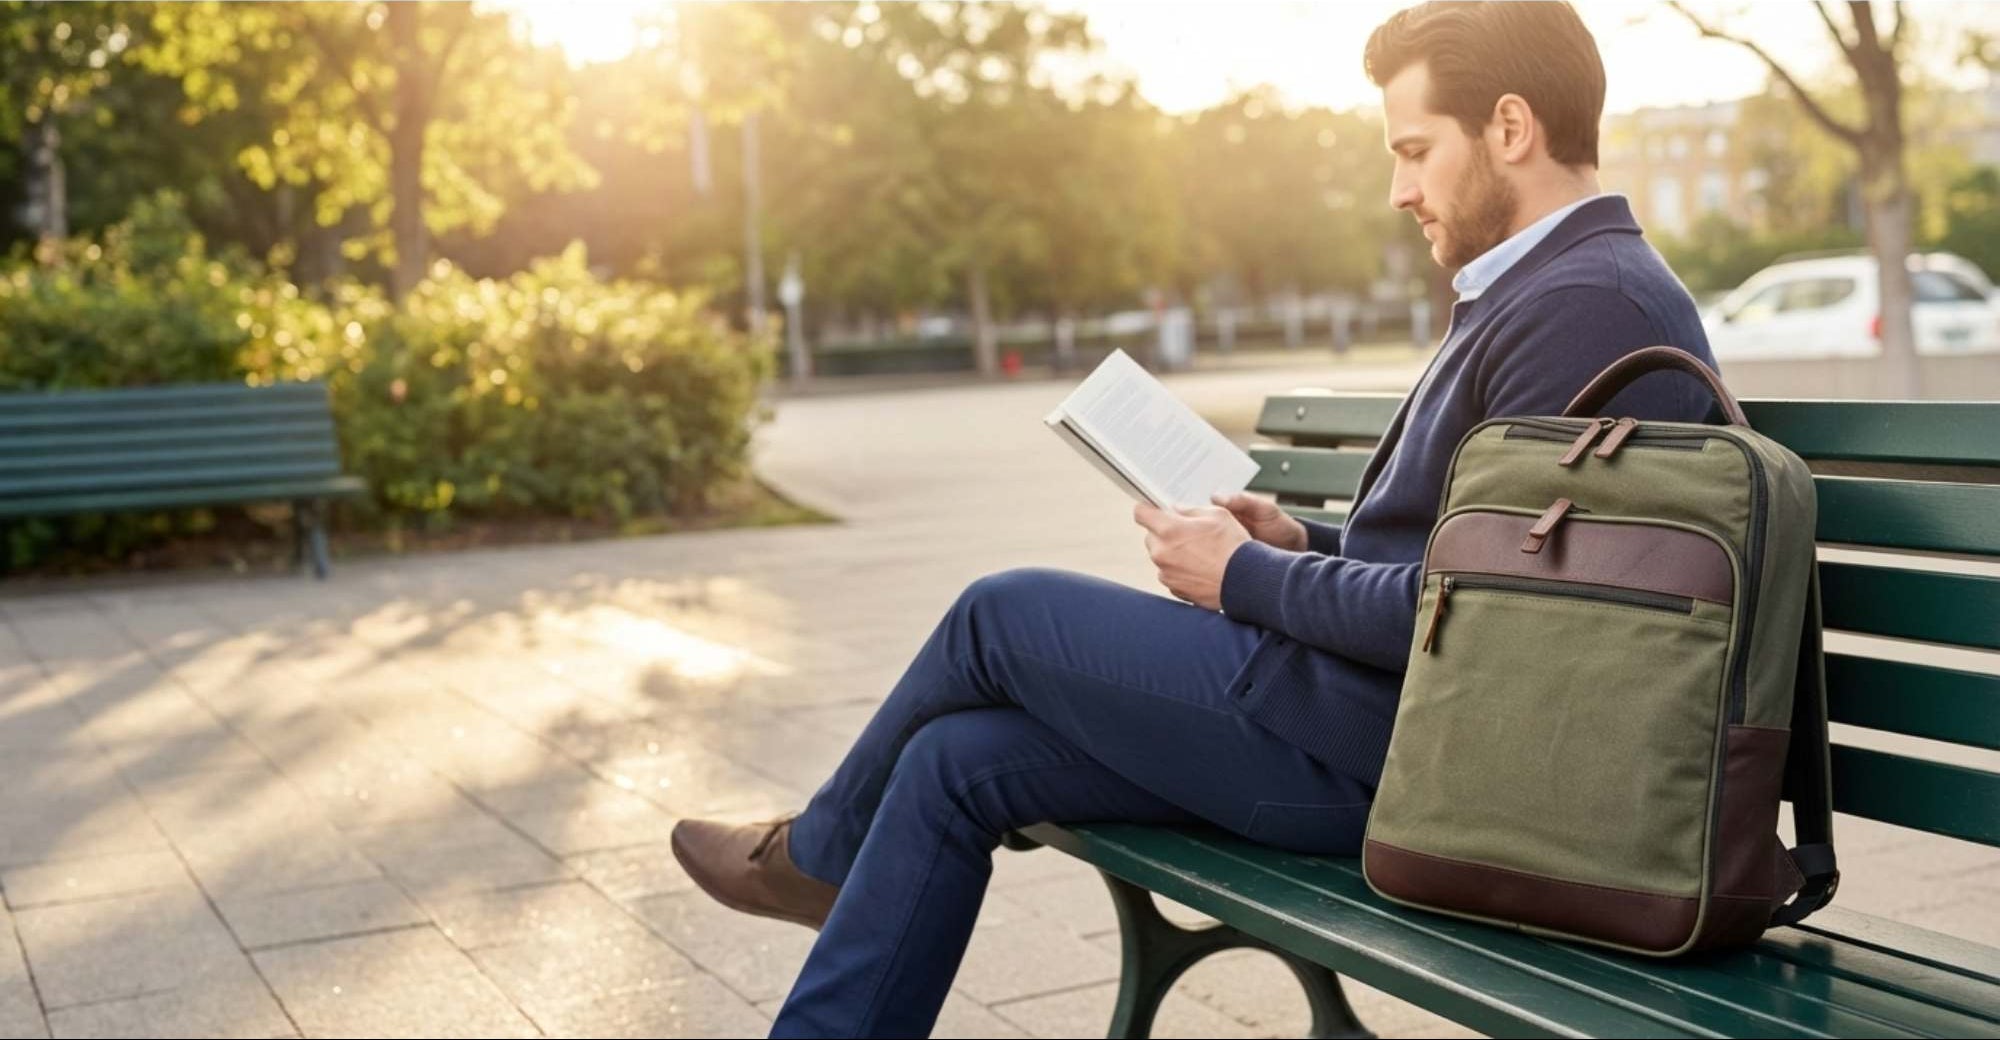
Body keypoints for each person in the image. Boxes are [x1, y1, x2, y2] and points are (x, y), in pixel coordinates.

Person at [672, 3, 1721, 1035]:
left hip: (1405, 768)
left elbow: (1502, 623)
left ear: (1510, 126)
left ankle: (814, 859)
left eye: (1413, 151)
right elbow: (1471, 564)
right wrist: (1296, 543)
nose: (1398, 190)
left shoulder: (1589, 309)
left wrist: (1244, 577)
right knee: (955, 758)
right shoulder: (1548, 289)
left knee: (999, 614)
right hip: (1367, 726)